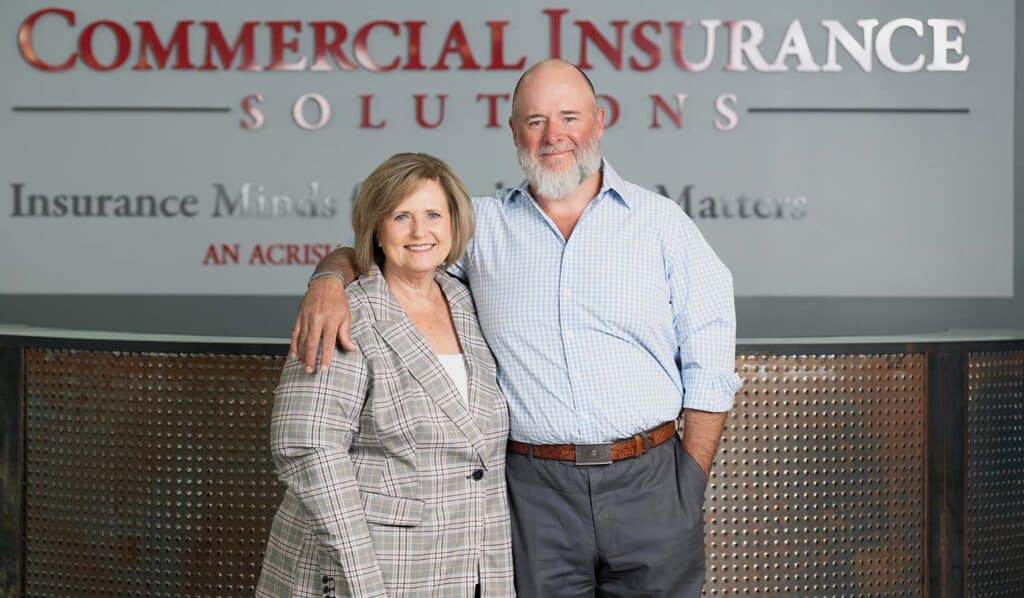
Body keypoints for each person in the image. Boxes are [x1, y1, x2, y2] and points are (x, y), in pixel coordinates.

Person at [292, 59, 742, 597]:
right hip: (533, 496)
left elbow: (709, 365)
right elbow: (391, 249)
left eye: (569, 117)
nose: (553, 136)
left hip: (650, 483)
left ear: (598, 121)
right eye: (534, 121)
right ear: (514, 133)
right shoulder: (478, 230)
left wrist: (686, 487)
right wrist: (328, 279)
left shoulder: (664, 224)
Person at [258, 153, 514, 597]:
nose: (420, 232)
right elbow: (307, 446)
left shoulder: (467, 302)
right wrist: (363, 577)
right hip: (364, 571)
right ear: (376, 226)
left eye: (434, 214)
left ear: (454, 223)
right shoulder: (344, 312)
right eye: (402, 216)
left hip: (464, 566)